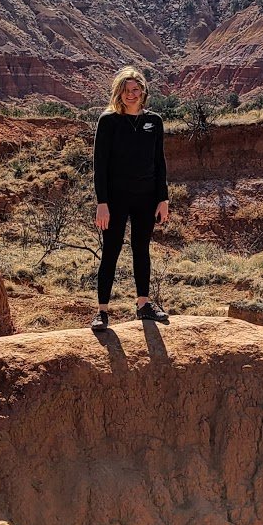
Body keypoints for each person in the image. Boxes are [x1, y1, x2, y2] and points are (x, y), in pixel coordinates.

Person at [91, 66, 171, 330]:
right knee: (111, 251)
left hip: (146, 197)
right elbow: (99, 165)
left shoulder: (154, 121)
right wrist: (102, 203)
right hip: (115, 199)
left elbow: (159, 162)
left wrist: (163, 199)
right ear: (118, 93)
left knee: (141, 249)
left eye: (135, 90)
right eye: (126, 91)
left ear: (143, 92)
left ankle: (143, 305)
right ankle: (102, 311)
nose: (131, 95)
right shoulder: (108, 121)